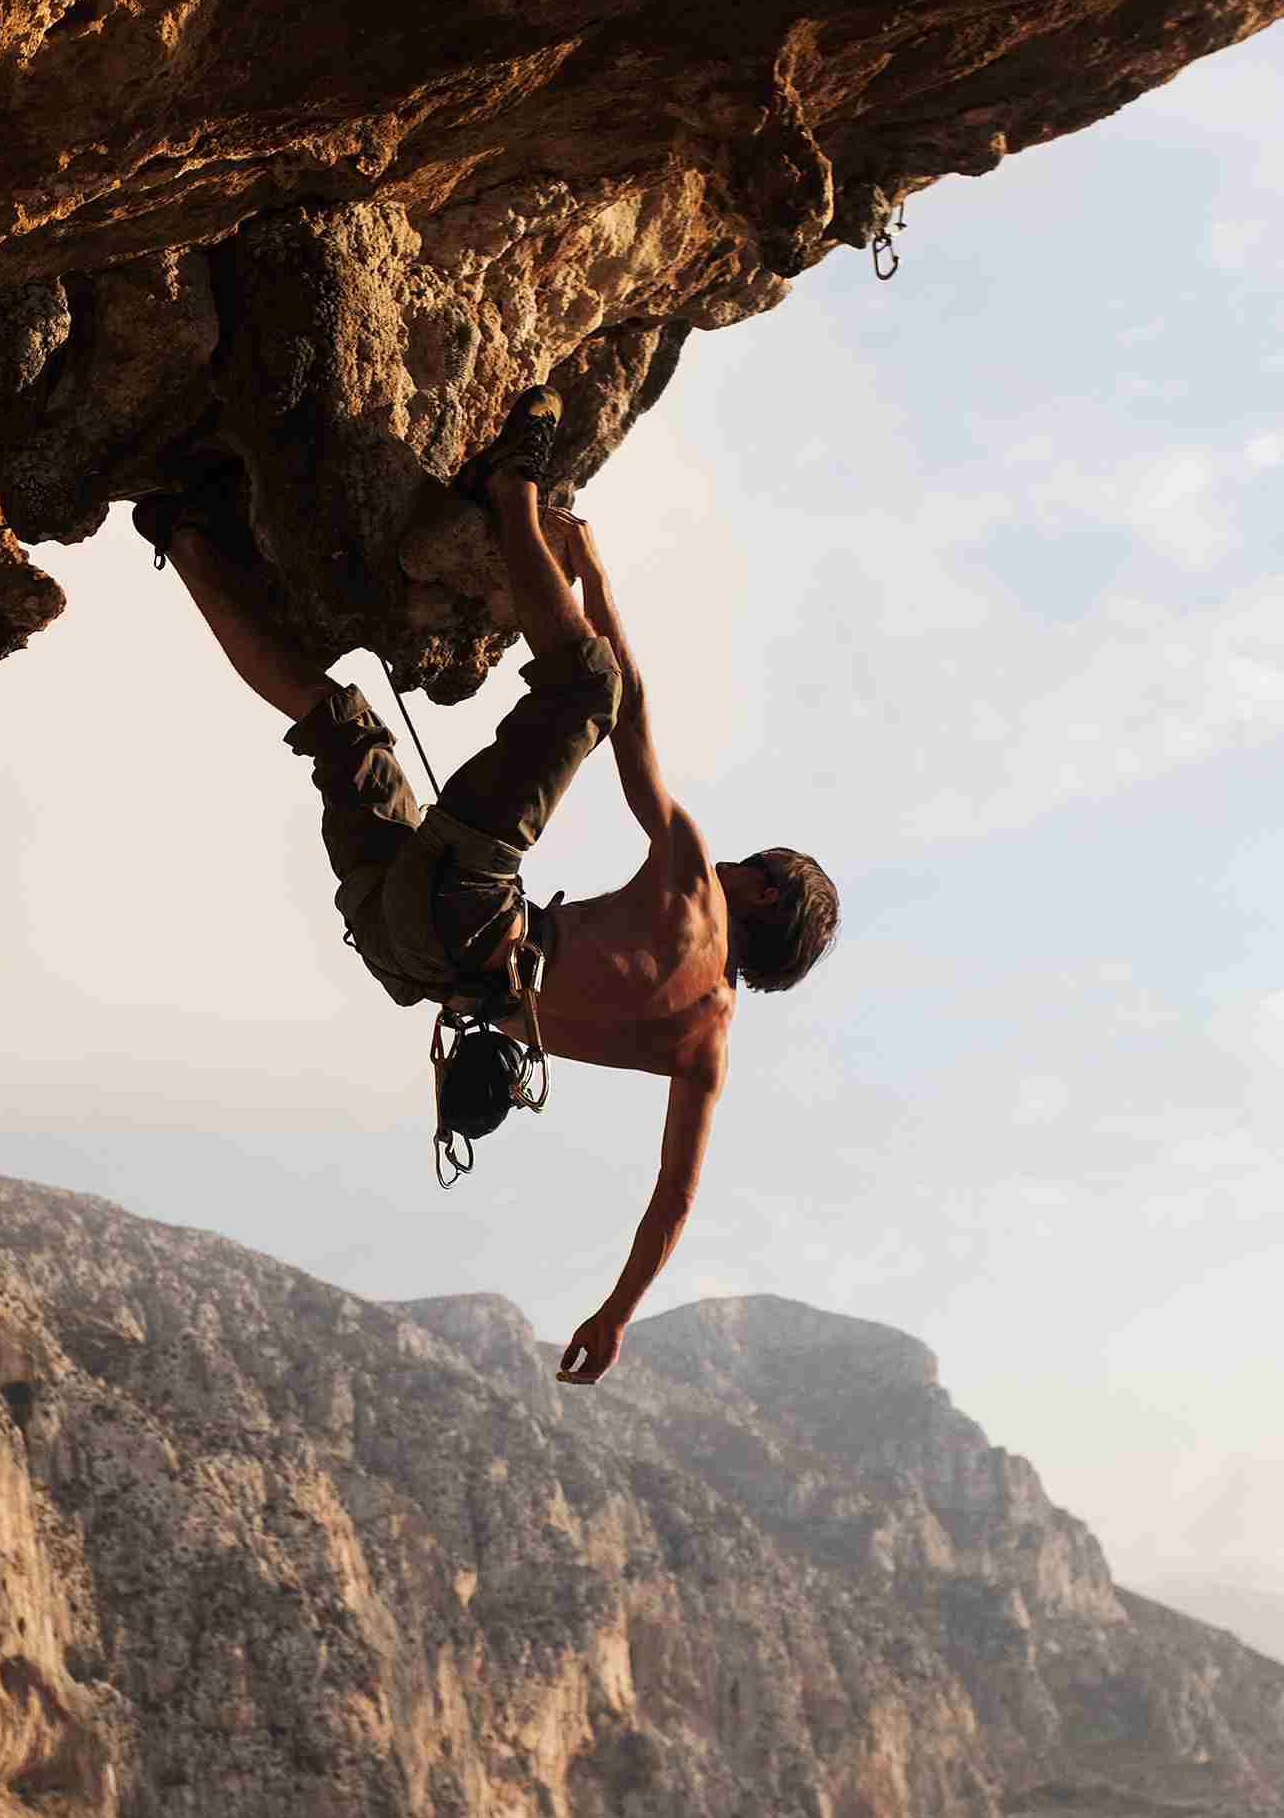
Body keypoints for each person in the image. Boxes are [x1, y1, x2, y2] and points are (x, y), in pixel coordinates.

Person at [138, 388, 840, 1386]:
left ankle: (513, 482)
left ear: (769, 899)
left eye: (759, 865)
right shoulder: (706, 1052)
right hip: (407, 960)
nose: (740, 863)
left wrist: (591, 577)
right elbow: (674, 1201)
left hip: (469, 908)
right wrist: (616, 1313)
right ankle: (185, 537)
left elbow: (625, 712)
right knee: (338, 723)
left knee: (582, 689)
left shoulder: (697, 891)